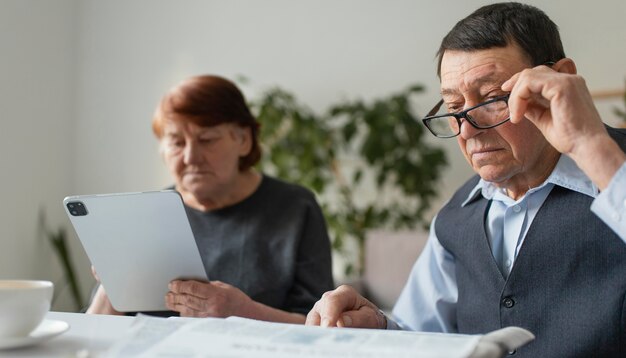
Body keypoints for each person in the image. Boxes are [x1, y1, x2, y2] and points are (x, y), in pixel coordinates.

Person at [305, 3, 626, 357]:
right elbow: (421, 331)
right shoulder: (456, 214)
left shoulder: (614, 166)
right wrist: (379, 327)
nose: (467, 129)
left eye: (492, 99)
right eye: (454, 106)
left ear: (560, 79)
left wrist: (589, 145)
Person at [87, 75, 334, 324]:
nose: (191, 157)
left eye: (206, 140)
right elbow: (94, 330)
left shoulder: (296, 208)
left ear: (244, 141)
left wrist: (243, 312)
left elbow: (320, 325)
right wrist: (113, 284)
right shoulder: (145, 215)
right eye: (177, 142)